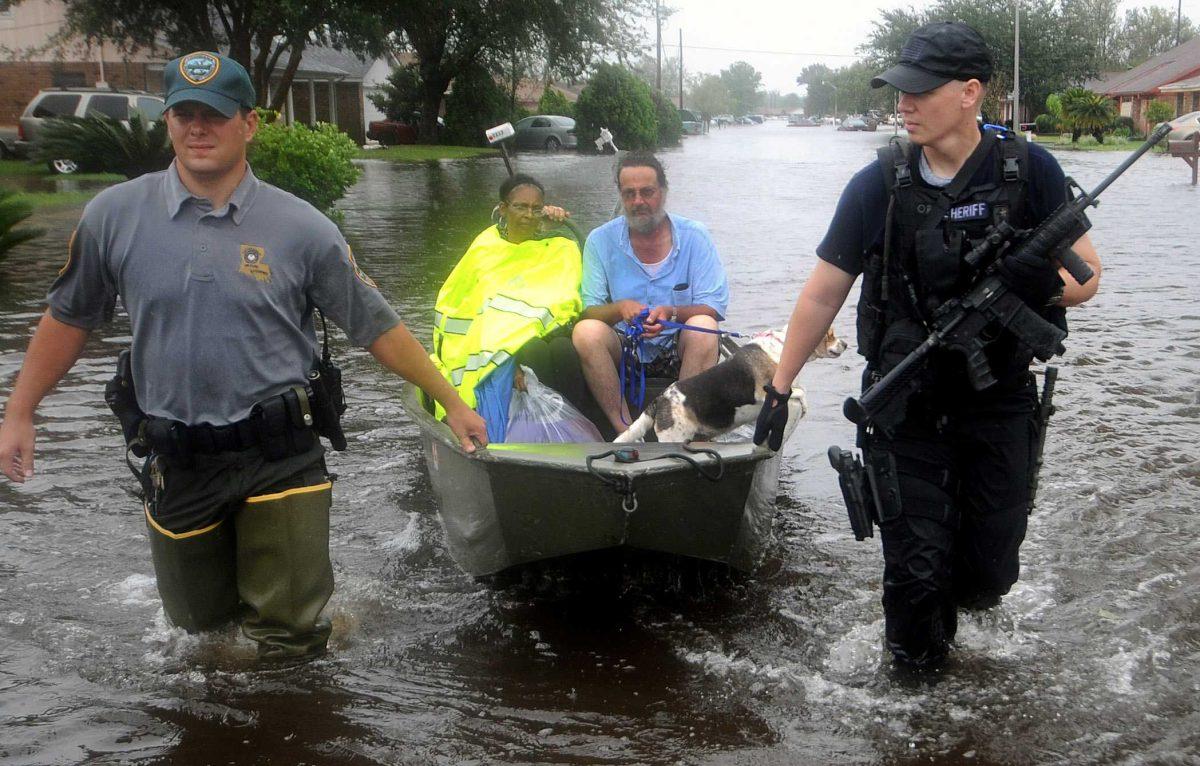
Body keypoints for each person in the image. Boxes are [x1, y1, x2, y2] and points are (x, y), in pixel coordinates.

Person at [0, 51, 486, 659]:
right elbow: (69, 318)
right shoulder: (113, 217)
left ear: (249, 124)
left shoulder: (302, 228)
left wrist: (452, 403)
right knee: (199, 640)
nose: (198, 128)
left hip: (278, 456)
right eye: (184, 114)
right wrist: (20, 412)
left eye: (215, 115)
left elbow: (375, 326)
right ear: (169, 122)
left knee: (288, 640)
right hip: (176, 456)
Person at [753, 22, 1102, 668]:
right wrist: (779, 386)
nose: (903, 105)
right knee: (915, 586)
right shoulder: (878, 185)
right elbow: (823, 293)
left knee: (987, 576)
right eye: (898, 92)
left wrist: (1038, 286)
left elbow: (1087, 272)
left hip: (998, 403)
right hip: (902, 406)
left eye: (919, 92)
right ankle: (914, 707)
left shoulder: (1029, 171)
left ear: (971, 92)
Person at [572, 152, 730, 434]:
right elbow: (591, 309)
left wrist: (671, 312)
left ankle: (682, 426)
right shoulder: (600, 240)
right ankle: (625, 430)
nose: (638, 202)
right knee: (586, 331)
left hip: (679, 349)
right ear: (621, 196)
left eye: (647, 192)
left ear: (664, 192)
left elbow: (714, 306)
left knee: (705, 327)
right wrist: (620, 308)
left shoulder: (695, 236)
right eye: (629, 194)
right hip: (626, 348)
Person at [431, 173, 584, 441]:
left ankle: (572, 429)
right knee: (532, 353)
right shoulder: (486, 248)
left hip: (545, 331)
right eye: (520, 207)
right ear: (503, 209)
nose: (528, 214)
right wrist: (509, 357)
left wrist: (551, 226)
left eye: (536, 208)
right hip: (492, 342)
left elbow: (564, 294)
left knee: (564, 351)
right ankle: (510, 432)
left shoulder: (556, 247)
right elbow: (466, 304)